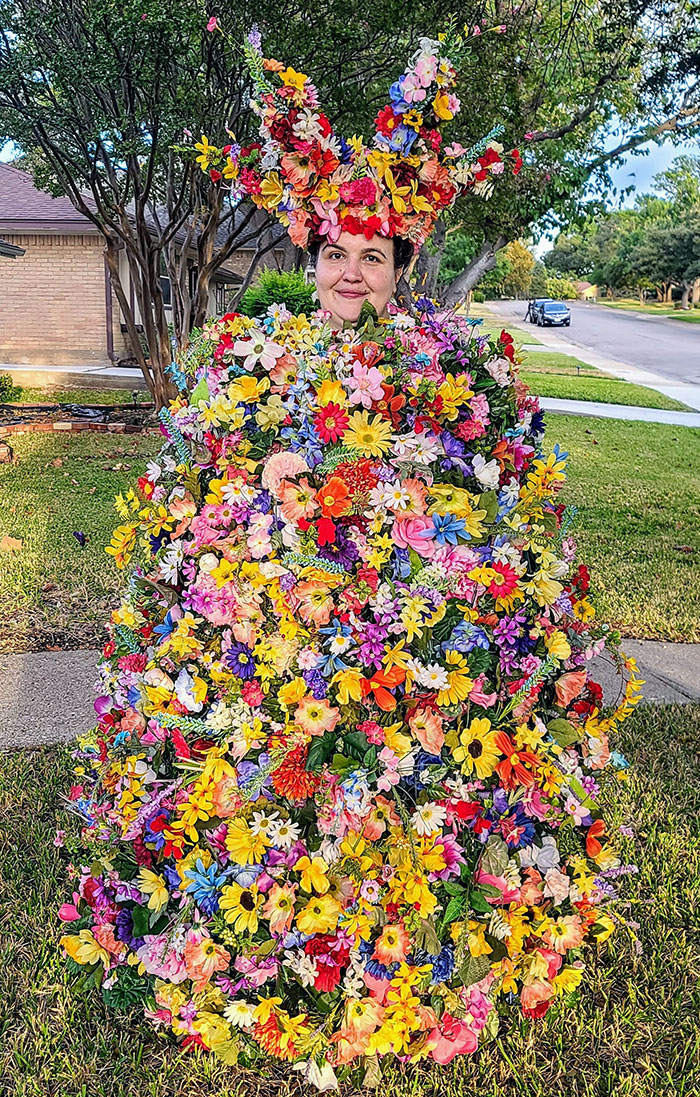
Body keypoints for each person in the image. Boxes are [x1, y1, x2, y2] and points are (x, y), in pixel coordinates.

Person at [60, 25, 638, 1089]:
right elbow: (195, 483)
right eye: (334, 251)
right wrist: (253, 480)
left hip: (423, 636)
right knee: (271, 794)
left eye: (371, 254)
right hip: (270, 640)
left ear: (400, 265)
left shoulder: (451, 360)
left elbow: (501, 493)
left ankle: (416, 952)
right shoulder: (255, 359)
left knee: (410, 786)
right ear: (310, 258)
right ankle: (264, 951)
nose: (349, 270)